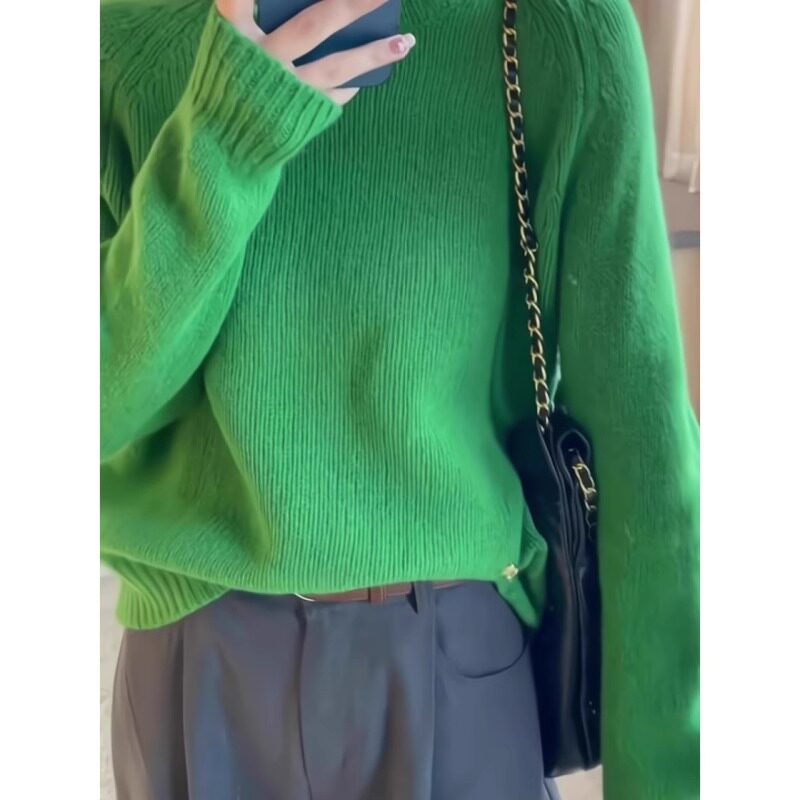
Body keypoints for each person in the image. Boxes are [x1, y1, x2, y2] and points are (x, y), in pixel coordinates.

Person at [100, 0, 700, 797]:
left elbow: (643, 447)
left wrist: (667, 776)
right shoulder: (123, 35)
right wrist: (223, 139)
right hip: (197, 661)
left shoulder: (554, 25)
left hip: (455, 663)